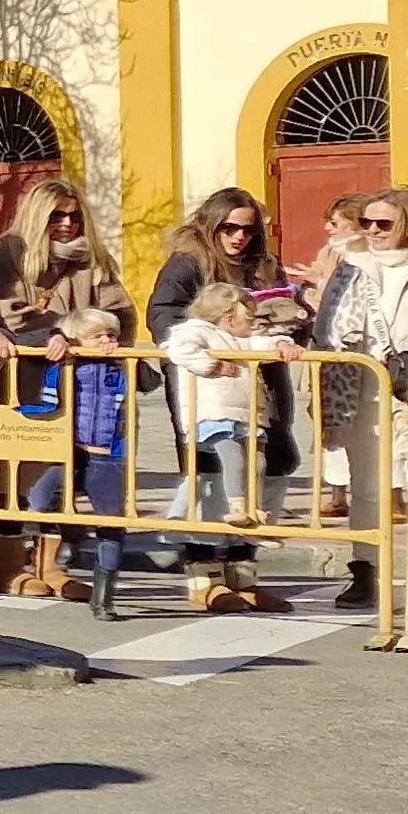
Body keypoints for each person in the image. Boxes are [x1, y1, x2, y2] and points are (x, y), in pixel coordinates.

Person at [312, 186, 408, 620]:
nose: (374, 231)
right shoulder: (353, 265)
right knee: (367, 485)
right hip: (361, 382)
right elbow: (327, 327)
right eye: (367, 223)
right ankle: (365, 570)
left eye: (384, 224)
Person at [0, 178, 132, 598]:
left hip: (84, 386)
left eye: (74, 216)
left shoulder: (93, 257)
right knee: (18, 477)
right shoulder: (11, 251)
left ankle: (50, 567)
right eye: (57, 216)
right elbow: (6, 311)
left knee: (61, 478)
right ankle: (6, 568)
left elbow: (120, 308)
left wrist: (110, 341)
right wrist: (61, 331)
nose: (67, 224)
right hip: (27, 379)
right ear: (39, 216)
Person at [148, 187, 288, 597]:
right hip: (207, 389)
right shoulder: (186, 263)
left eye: (246, 229)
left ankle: (243, 574)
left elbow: (280, 311)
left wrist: (286, 324)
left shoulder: (261, 266)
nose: (238, 237)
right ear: (210, 225)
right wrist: (212, 349)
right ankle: (203, 576)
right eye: (228, 228)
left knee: (265, 468)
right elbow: (164, 317)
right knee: (208, 471)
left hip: (257, 386)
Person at [164, 283, 302, 613]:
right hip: (211, 414)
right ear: (228, 317)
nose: (254, 324)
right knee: (220, 475)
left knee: (256, 466)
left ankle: (244, 575)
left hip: (247, 415)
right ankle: (206, 580)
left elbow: (260, 341)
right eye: (248, 317)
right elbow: (177, 348)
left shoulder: (239, 337)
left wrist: (283, 343)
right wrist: (211, 365)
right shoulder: (196, 331)